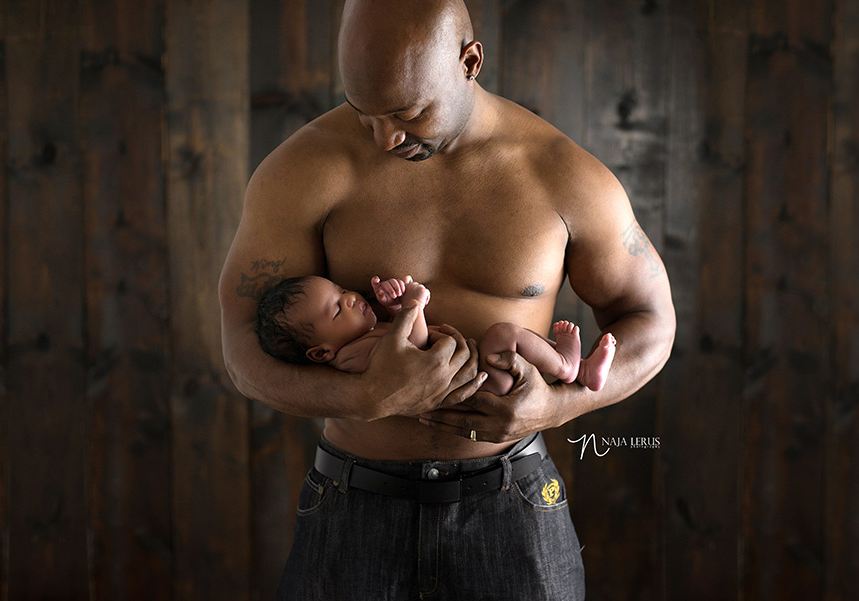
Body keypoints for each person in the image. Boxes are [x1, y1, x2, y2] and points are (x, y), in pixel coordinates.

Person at [218, 0, 675, 598]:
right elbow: (244, 352)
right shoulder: (303, 172)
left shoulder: (564, 177)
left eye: (408, 112)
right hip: (354, 506)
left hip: (512, 504)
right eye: (365, 114)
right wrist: (363, 396)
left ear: (470, 60)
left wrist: (560, 409)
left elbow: (652, 320)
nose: (385, 137)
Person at [256, 274, 616, 394]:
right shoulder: (350, 357)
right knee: (504, 333)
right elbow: (413, 355)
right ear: (321, 353)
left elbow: (405, 336)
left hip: (478, 373)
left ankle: (567, 361)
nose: (350, 297)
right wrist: (413, 307)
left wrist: (396, 309)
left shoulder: (360, 340)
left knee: (511, 341)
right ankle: (573, 370)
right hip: (479, 385)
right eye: (336, 308)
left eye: (339, 290)